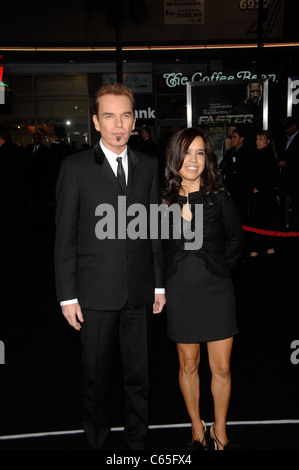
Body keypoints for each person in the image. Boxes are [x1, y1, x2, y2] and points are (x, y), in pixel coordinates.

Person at [54, 83, 166, 450]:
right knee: (96, 379)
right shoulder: (75, 168)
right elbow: (65, 238)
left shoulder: (149, 166)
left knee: (140, 376)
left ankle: (137, 444)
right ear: (96, 122)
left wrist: (159, 285)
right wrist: (67, 296)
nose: (119, 124)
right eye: (109, 116)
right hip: (95, 294)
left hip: (138, 290)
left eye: (126, 115)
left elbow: (154, 230)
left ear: (134, 121)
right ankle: (97, 442)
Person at [162, 127, 244, 450]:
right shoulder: (162, 202)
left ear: (207, 158)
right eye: (187, 152)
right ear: (175, 158)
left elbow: (236, 240)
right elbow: (158, 250)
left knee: (221, 367)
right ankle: (196, 422)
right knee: (189, 364)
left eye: (200, 153)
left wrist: (221, 268)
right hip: (180, 291)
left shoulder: (219, 197)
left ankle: (219, 428)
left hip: (217, 291)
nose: (193, 160)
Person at [248, 130, 278, 258]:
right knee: (265, 221)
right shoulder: (262, 154)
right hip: (265, 195)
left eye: (260, 139)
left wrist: (258, 188)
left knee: (260, 221)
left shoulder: (266, 156)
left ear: (267, 141)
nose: (257, 142)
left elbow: (268, 176)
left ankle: (258, 247)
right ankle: (267, 246)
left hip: (263, 195)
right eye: (256, 139)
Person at [219, 126, 251, 223]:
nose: (232, 140)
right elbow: (222, 166)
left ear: (241, 139)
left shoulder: (247, 152)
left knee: (241, 213)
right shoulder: (229, 152)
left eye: (234, 137)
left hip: (242, 190)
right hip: (230, 189)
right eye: (231, 137)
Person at [277, 116, 299, 230]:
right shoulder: (285, 138)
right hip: (284, 180)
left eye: (288, 127)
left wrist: (286, 163)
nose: (286, 130)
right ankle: (282, 227)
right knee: (281, 205)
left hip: (295, 180)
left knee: (295, 206)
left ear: (294, 126)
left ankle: (294, 229)